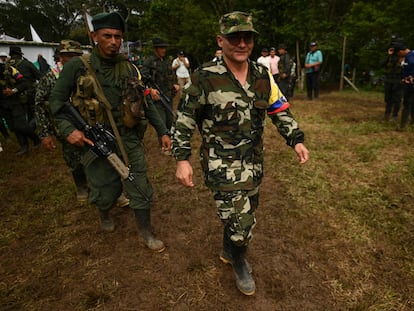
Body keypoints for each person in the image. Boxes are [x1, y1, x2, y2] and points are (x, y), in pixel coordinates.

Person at [172, 11, 309, 296]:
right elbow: (184, 119)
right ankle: (239, 261)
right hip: (221, 165)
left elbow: (278, 109)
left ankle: (228, 249)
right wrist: (182, 158)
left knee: (246, 211)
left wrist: (295, 138)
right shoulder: (204, 77)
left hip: (254, 163)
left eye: (247, 38)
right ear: (221, 40)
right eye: (235, 38)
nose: (242, 43)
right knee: (242, 224)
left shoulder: (262, 75)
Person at [49, 12, 171, 252]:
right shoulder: (77, 66)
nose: (113, 41)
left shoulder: (128, 67)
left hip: (128, 137)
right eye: (107, 36)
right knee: (106, 189)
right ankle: (104, 212)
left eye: (118, 36)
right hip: (95, 139)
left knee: (140, 184)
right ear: (94, 36)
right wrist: (68, 130)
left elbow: (145, 102)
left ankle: (146, 232)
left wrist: (162, 131)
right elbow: (56, 102)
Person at [35, 40, 91, 202]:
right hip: (64, 128)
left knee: (96, 156)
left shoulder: (86, 75)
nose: (73, 59)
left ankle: (103, 186)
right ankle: (81, 186)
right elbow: (39, 106)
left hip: (89, 124)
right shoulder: (50, 78)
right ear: (60, 57)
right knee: (74, 160)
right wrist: (44, 133)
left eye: (76, 56)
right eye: (69, 56)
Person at [141, 37, 178, 138]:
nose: (163, 50)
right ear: (156, 49)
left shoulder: (166, 61)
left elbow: (171, 75)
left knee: (170, 120)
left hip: (168, 95)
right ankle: (164, 144)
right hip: (156, 98)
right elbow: (142, 79)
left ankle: (169, 142)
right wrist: (150, 90)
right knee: (161, 122)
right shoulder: (149, 62)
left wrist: (175, 84)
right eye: (161, 48)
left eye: (164, 48)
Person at [0, 61, 39, 155]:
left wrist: (13, 91)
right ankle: (24, 146)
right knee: (13, 127)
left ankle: (36, 139)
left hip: (14, 102)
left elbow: (24, 83)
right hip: (2, 105)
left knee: (21, 125)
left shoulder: (9, 69)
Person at [380, 43, 403, 122]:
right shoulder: (389, 57)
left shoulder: (402, 57)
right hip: (388, 80)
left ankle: (394, 115)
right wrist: (388, 55)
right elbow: (381, 64)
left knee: (397, 99)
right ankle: (387, 114)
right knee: (388, 98)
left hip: (398, 80)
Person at [395, 43, 414, 128]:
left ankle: (402, 125)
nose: (398, 55)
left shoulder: (410, 57)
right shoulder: (410, 55)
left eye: (398, 53)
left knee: (407, 103)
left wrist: (410, 77)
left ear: (401, 51)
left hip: (410, 83)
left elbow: (412, 65)